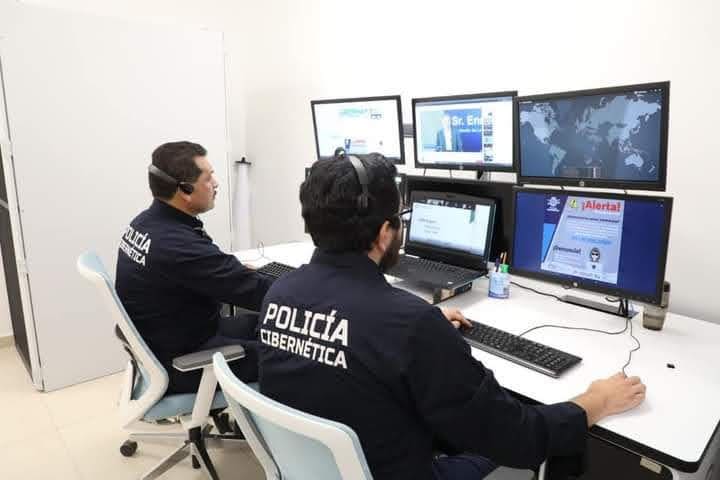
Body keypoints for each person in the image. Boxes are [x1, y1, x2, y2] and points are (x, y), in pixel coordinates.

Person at [255, 152, 646, 480]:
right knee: (513, 434)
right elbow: (520, 437)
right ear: (386, 232)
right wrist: (596, 400)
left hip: (321, 468)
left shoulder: (279, 294)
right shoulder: (409, 326)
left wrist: (421, 334)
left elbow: (354, 343)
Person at [115, 141, 272, 394]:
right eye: (208, 178)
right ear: (185, 190)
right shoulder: (176, 245)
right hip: (185, 362)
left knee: (270, 326)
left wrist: (228, 272)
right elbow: (254, 291)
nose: (216, 184)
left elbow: (204, 270)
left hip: (172, 339)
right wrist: (308, 287)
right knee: (294, 355)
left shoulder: (146, 223)